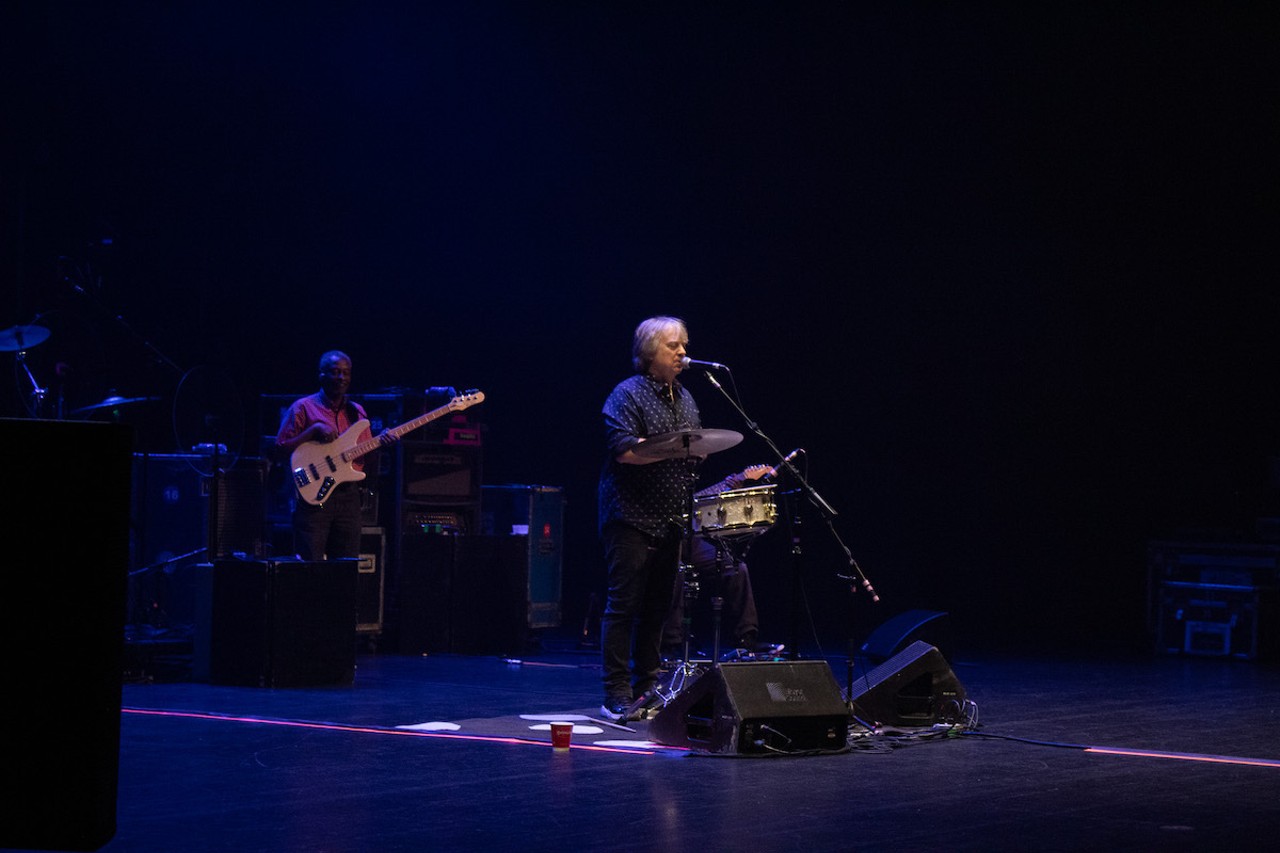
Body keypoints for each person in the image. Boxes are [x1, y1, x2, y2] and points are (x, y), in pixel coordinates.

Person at [598, 316, 703, 721]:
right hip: (630, 515)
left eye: (684, 345)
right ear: (649, 353)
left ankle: (646, 687)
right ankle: (616, 693)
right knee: (623, 605)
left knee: (658, 608)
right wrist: (675, 450)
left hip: (670, 517)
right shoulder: (627, 394)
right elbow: (624, 449)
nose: (682, 353)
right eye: (672, 346)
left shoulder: (687, 397)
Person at [663, 463, 783, 660]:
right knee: (675, 572)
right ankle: (671, 643)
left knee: (735, 568)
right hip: (657, 536)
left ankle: (746, 639)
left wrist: (738, 479)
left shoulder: (683, 471)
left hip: (686, 536)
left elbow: (692, 501)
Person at [275, 350, 385, 561]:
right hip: (314, 498)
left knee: (346, 566)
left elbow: (366, 457)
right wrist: (313, 429)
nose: (341, 378)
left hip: (348, 496)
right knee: (310, 564)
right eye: (335, 372)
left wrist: (382, 442)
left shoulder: (357, 411)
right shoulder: (303, 408)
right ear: (321, 375)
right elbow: (281, 448)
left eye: (346, 373)